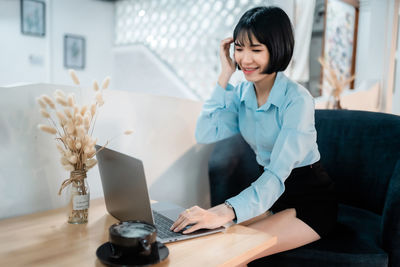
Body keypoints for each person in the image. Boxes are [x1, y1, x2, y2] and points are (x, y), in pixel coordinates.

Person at [170, 6, 337, 263]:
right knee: (207, 239)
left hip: (309, 201)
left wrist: (224, 210)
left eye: (256, 49)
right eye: (239, 48)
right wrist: (225, 74)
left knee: (233, 250)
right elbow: (205, 132)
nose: (245, 59)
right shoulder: (241, 94)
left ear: (278, 48)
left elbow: (277, 173)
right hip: (269, 195)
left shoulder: (298, 100)